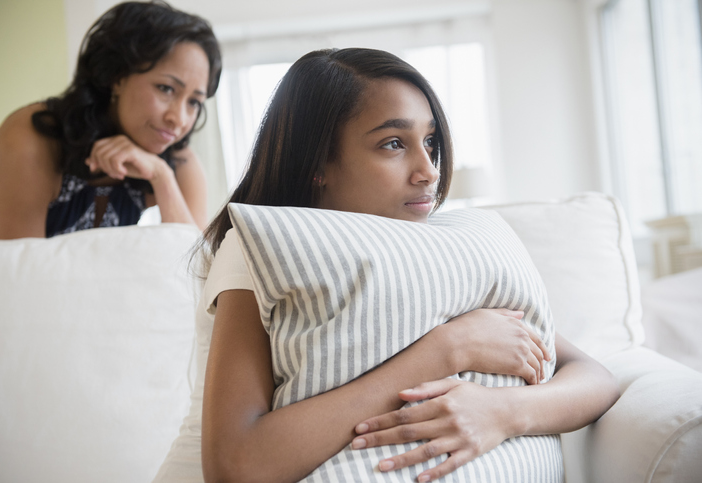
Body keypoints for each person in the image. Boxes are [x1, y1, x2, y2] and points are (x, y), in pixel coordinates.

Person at [199, 48, 620, 482]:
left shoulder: (441, 250)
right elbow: (236, 466)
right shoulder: (257, 250)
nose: (429, 171)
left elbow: (595, 378)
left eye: (431, 141)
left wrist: (503, 412)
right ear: (317, 163)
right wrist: (449, 348)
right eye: (393, 143)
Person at [0, 1, 221, 240]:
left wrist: (161, 177)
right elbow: (20, 273)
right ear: (118, 76)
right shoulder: (33, 138)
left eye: (194, 102)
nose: (178, 119)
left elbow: (197, 268)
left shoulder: (177, 161)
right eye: (166, 88)